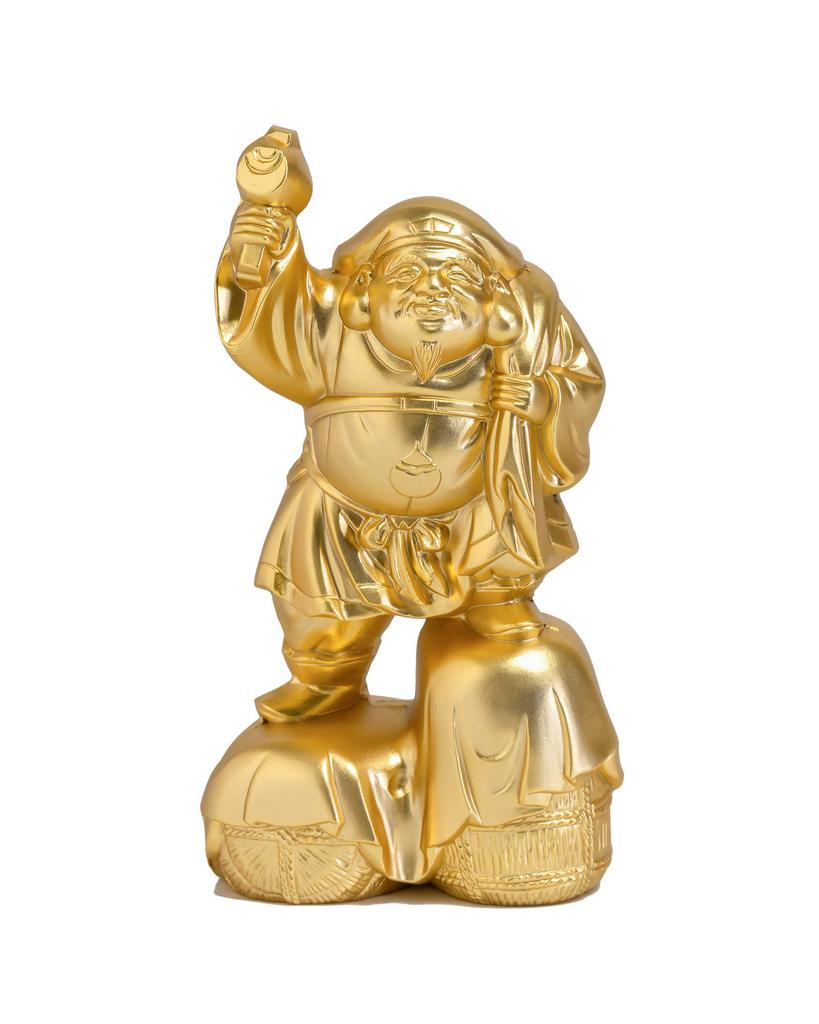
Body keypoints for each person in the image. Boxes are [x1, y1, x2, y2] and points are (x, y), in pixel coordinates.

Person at [215, 192, 604, 723]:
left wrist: (544, 401)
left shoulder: (526, 329)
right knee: (319, 606)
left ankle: (496, 601)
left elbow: (580, 379)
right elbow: (274, 315)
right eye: (408, 275)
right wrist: (266, 243)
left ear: (493, 303)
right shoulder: (332, 328)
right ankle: (325, 677)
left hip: (473, 504)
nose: (431, 291)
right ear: (364, 292)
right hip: (342, 508)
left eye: (455, 277)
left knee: (496, 551)